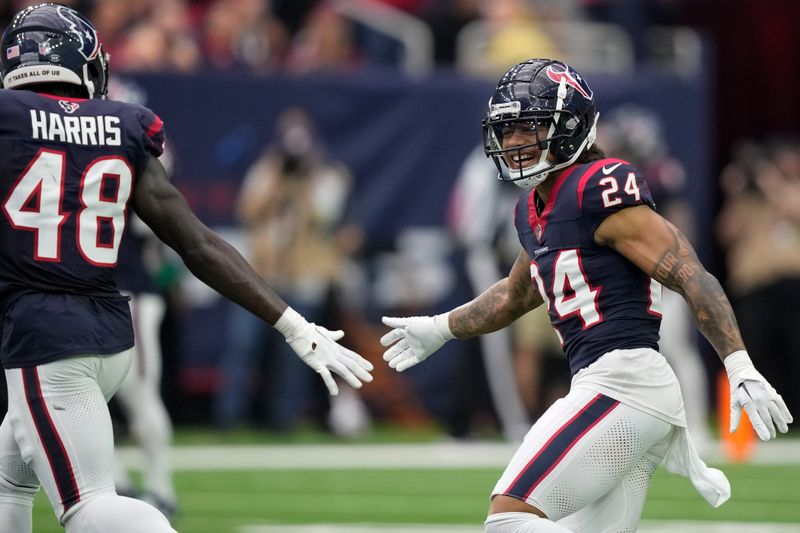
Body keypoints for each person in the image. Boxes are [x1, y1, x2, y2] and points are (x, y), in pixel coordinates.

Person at [0, 5, 373, 533]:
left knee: (87, 505)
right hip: (107, 331)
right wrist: (292, 323)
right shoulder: (120, 124)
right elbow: (196, 243)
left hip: (47, 337)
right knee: (8, 481)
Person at [381, 58, 792, 533]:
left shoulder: (598, 186)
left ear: (571, 124)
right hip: (615, 388)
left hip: (624, 384)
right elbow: (515, 295)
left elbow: (689, 273)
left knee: (509, 518)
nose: (515, 142)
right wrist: (440, 327)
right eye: (508, 130)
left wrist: (738, 363)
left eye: (529, 127)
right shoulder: (535, 207)